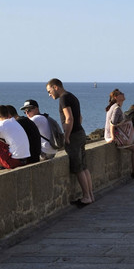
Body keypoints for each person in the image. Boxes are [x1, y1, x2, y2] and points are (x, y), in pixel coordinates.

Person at [47, 78, 94, 206]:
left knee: (78, 168)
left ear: (56, 87)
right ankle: (90, 195)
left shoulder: (64, 98)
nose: (49, 94)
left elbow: (69, 118)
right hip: (80, 132)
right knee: (84, 166)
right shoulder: (72, 96)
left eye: (49, 90)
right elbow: (79, 117)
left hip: (73, 135)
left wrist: (67, 136)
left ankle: (86, 197)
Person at [105, 89, 134, 179]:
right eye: (120, 94)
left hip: (115, 135)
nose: (123, 94)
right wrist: (112, 137)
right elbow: (112, 123)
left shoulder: (115, 107)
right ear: (116, 97)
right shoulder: (116, 109)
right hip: (113, 136)